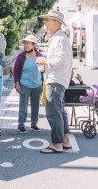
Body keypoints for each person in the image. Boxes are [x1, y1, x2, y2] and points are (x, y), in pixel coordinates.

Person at [36, 10, 73, 154]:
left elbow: (60, 60)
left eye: (47, 20)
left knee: (53, 112)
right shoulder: (59, 37)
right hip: (59, 79)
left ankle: (57, 144)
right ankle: (65, 140)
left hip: (55, 80)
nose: (44, 22)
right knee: (59, 111)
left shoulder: (59, 38)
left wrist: (44, 61)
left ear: (55, 22)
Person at [14, 35, 43, 134]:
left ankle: (34, 124)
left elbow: (43, 70)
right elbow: (16, 70)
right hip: (24, 84)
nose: (25, 45)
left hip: (37, 85)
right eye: (25, 43)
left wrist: (43, 83)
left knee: (36, 106)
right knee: (23, 106)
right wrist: (17, 83)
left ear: (33, 45)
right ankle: (21, 125)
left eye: (28, 43)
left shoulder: (39, 55)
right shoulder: (21, 56)